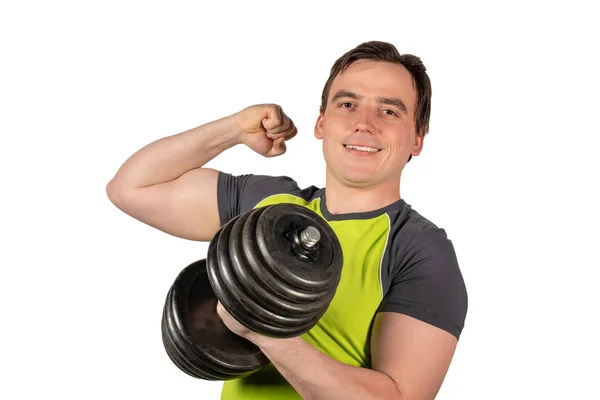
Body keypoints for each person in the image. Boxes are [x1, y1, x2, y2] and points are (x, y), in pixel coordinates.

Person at [106, 40, 468, 400]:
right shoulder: (268, 207)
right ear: (321, 123)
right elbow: (132, 187)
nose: (363, 123)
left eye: (389, 111)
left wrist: (261, 327)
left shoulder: (421, 251)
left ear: (417, 138)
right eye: (348, 104)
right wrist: (234, 129)